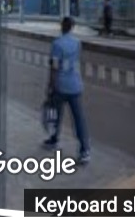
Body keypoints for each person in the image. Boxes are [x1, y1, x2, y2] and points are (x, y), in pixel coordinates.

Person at [43, 16, 90, 164]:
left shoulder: (57, 44)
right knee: (79, 119)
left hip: (61, 85)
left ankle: (54, 139)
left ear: (62, 27)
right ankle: (85, 150)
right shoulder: (77, 43)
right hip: (75, 84)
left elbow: (55, 67)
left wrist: (50, 85)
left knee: (56, 114)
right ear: (72, 27)